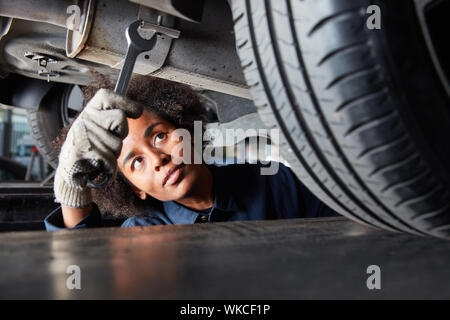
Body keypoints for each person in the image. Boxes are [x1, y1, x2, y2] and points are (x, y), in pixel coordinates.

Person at [44, 76, 339, 231]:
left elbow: (352, 215)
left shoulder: (273, 184)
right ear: (136, 190)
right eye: (137, 162)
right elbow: (80, 271)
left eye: (160, 136)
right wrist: (72, 187)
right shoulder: (143, 234)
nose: (157, 159)